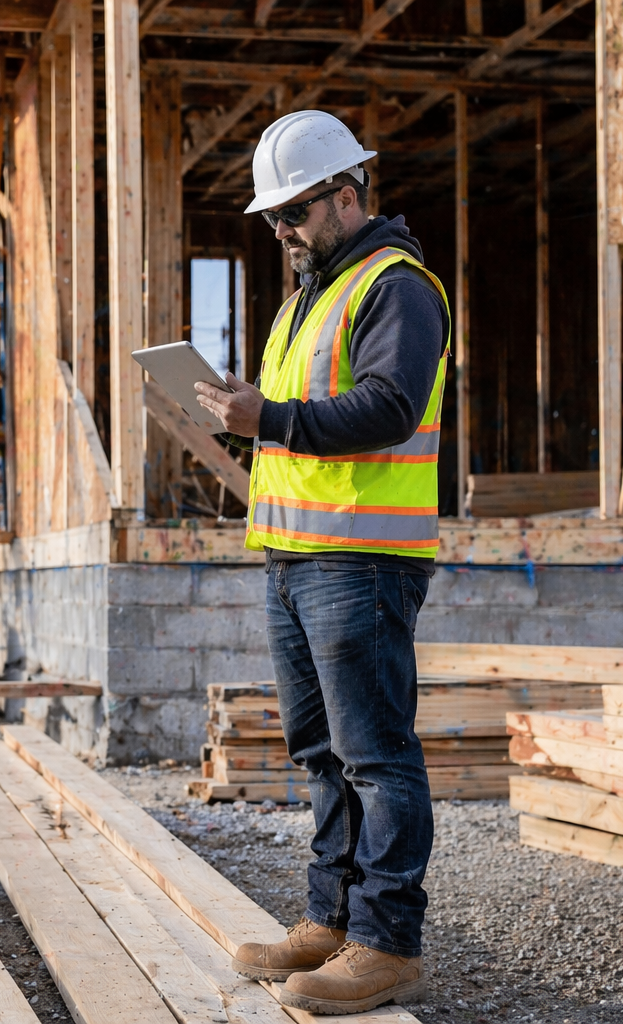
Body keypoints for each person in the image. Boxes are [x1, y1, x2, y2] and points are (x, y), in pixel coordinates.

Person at [192, 109, 450, 1016]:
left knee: (376, 755)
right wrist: (243, 417)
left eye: (294, 213)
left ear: (348, 195)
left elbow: (389, 408)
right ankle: (331, 919)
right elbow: (299, 424)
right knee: (318, 753)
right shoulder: (307, 296)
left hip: (362, 559)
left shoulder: (397, 286)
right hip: (297, 556)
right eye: (272, 220)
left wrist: (266, 418)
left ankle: (387, 943)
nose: (282, 232)